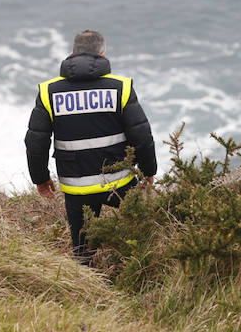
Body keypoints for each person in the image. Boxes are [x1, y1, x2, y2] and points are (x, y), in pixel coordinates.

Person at [25, 30, 156, 263]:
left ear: (72, 53)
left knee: (83, 253)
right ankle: (139, 273)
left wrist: (41, 178)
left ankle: (87, 290)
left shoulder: (48, 92)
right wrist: (149, 171)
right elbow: (142, 134)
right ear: (102, 53)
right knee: (144, 233)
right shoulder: (121, 88)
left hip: (77, 187)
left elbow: (36, 141)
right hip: (120, 182)